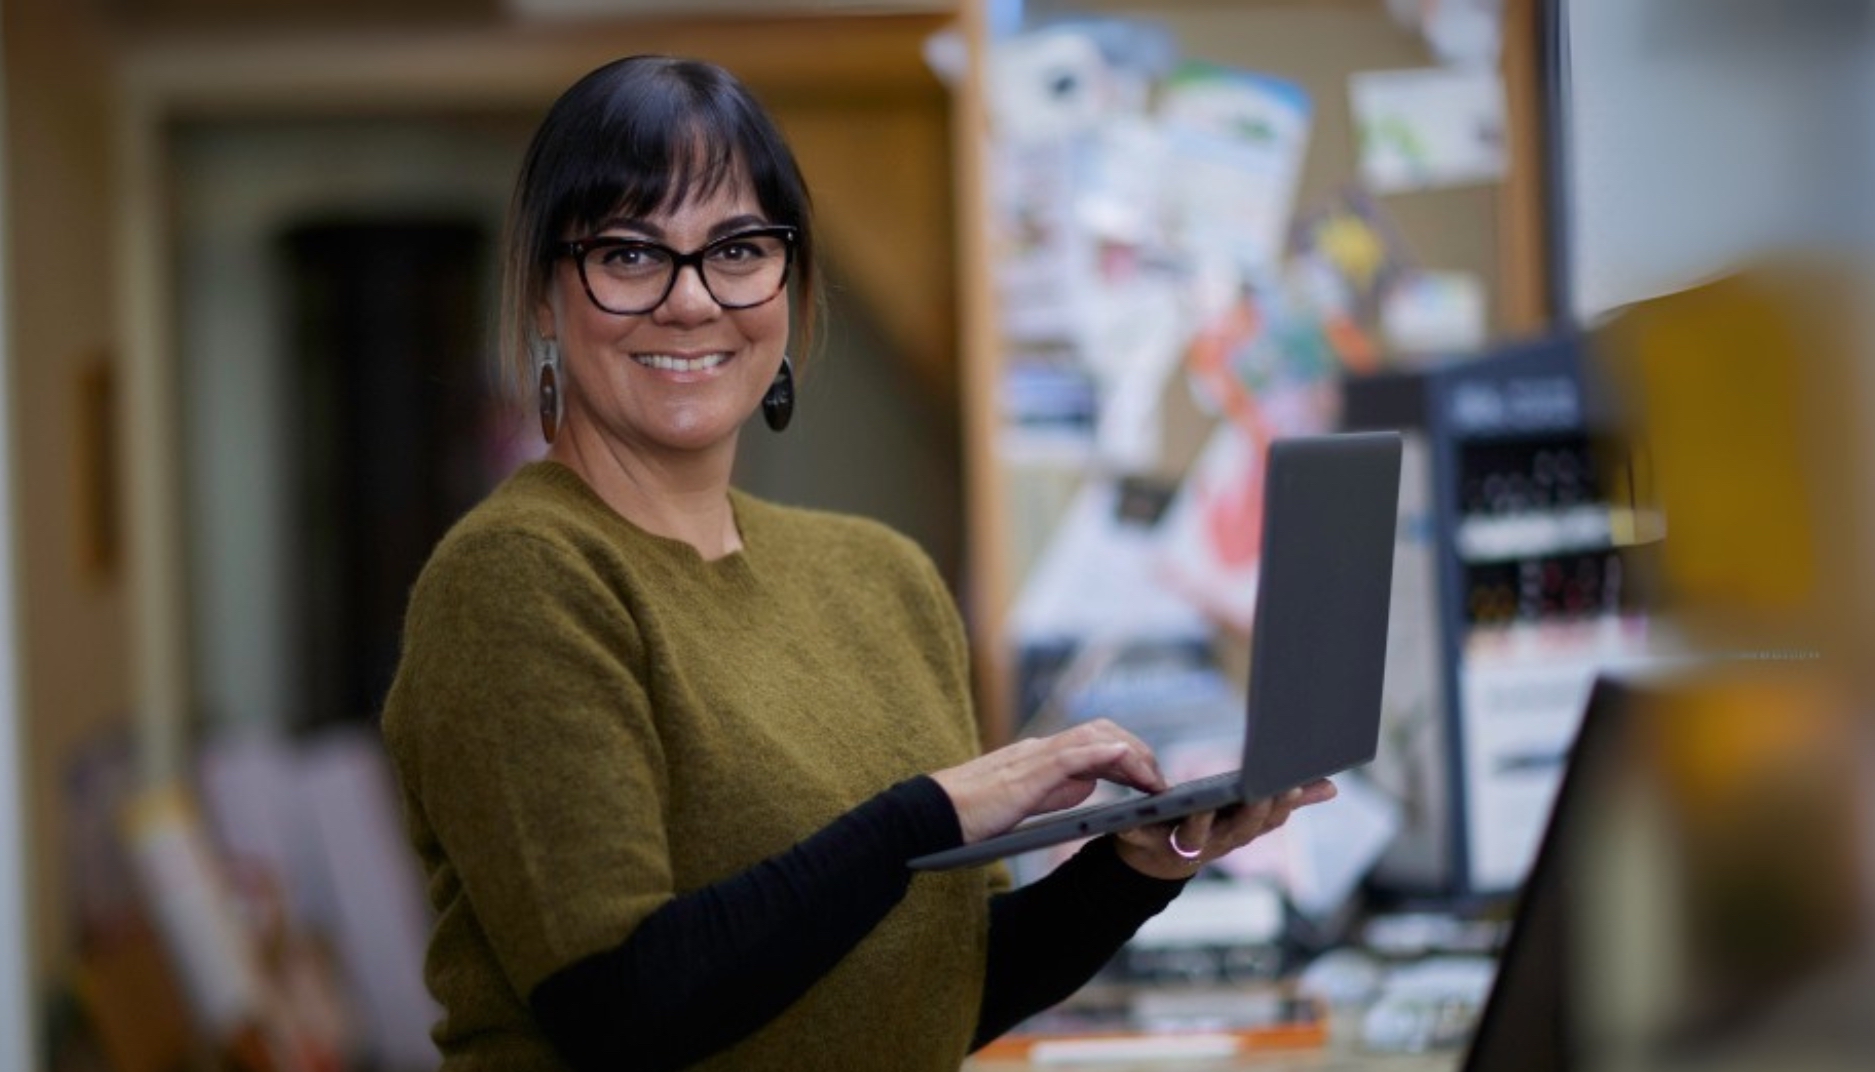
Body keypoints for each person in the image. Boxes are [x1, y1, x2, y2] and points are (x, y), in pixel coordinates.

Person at [379, 54, 1336, 1072]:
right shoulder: (519, 578)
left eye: (738, 248)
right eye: (628, 254)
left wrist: (1136, 869)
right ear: (541, 294)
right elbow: (625, 1004)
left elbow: (936, 989)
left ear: (787, 281)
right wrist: (930, 813)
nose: (692, 300)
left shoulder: (882, 578)